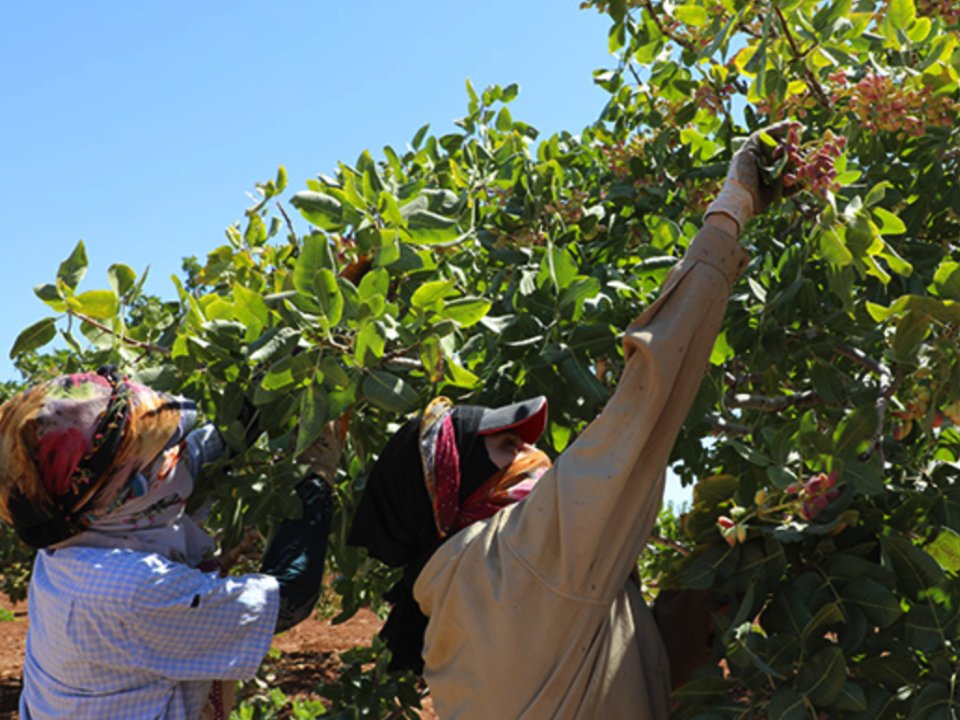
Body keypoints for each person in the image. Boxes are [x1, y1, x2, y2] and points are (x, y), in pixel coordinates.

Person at [348, 122, 793, 719]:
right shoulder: (516, 559)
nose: (535, 456)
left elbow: (609, 668)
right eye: (506, 448)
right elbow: (646, 401)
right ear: (451, 494)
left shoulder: (453, 605)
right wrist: (732, 207)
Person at [0, 368, 340, 720]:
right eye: (162, 450)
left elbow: (198, 456)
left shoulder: (74, 525)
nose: (178, 453)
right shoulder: (130, 591)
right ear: (128, 491)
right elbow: (288, 597)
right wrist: (314, 481)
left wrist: (276, 378)